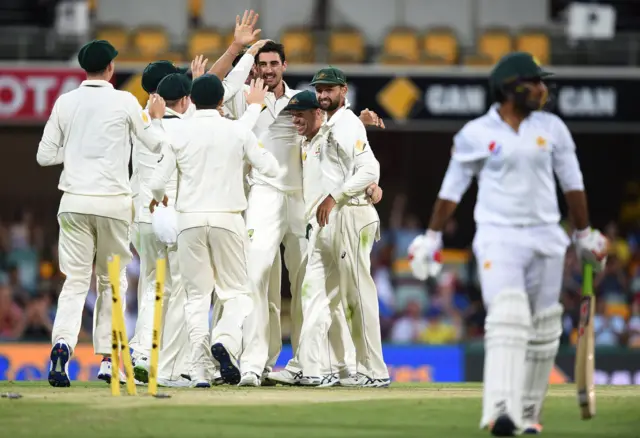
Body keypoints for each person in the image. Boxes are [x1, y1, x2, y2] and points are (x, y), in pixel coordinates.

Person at [408, 52, 608, 436]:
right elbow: (452, 190)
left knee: (545, 325)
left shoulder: (552, 128)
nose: (542, 88)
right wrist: (431, 237)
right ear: (510, 87)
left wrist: (584, 234)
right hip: (499, 236)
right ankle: (500, 410)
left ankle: (529, 414)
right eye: (534, 82)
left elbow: (573, 184)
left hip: (547, 236)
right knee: (509, 312)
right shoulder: (476, 133)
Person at [234, 42, 384, 387]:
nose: (268, 69)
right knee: (264, 278)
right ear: (255, 67)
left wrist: (356, 126)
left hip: (312, 205)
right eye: (262, 64)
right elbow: (213, 91)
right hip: (271, 196)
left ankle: (331, 364)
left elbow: (339, 132)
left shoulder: (308, 102)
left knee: (323, 289)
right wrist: (239, 52)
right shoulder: (246, 96)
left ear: (284, 65)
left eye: (274, 63)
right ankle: (261, 364)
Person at [37, 39, 169, 387]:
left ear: (85, 68)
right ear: (111, 67)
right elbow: (154, 143)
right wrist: (155, 120)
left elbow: (45, 155)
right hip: (112, 204)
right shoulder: (125, 100)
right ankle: (109, 359)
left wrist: (79, 149)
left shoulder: (65, 102)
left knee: (75, 282)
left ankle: (62, 348)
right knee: (113, 282)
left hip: (74, 203)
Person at [148, 73, 281, 387]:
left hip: (189, 221)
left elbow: (156, 183)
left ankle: (198, 372)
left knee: (196, 298)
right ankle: (224, 339)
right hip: (228, 219)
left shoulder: (178, 132)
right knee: (237, 294)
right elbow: (271, 168)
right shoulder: (236, 131)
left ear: (192, 100)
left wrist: (160, 198)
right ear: (222, 101)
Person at [268, 90, 384, 386]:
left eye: (301, 115)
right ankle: (309, 367)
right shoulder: (311, 140)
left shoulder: (336, 134)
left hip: (349, 218)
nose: (296, 121)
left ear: (319, 113)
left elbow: (365, 166)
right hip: (321, 227)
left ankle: (374, 371)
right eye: (292, 116)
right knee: (313, 297)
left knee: (355, 297)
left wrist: (362, 189)